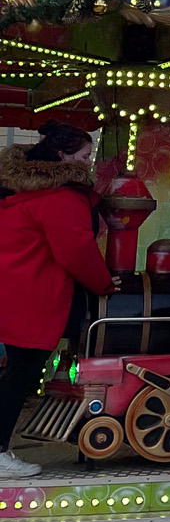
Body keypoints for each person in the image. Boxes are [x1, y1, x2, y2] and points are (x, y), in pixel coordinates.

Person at [0, 124, 113, 479]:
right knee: (21, 375)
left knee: (15, 372)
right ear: (62, 157)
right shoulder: (61, 197)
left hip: (13, 288)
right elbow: (76, 250)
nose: (88, 163)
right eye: (84, 156)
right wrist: (104, 284)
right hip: (35, 294)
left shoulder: (20, 190)